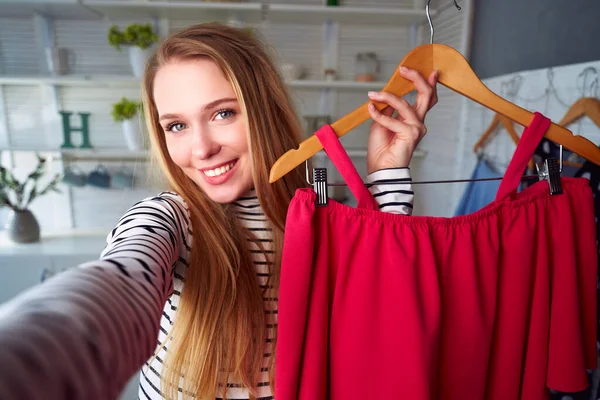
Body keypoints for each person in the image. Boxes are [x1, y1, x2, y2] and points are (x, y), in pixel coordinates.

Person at [0, 23, 438, 400]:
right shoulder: (168, 219)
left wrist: (386, 173)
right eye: (176, 125)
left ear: (265, 110)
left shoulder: (319, 209)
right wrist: (28, 357)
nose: (202, 148)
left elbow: (381, 303)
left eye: (223, 113)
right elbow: (121, 282)